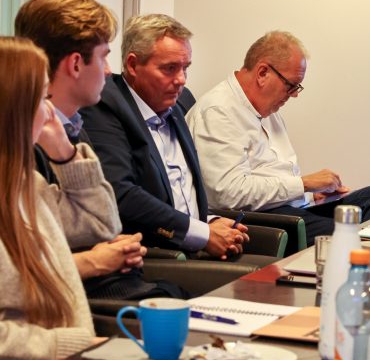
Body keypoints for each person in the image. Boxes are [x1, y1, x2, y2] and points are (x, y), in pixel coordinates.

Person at [15, 0, 171, 300]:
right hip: (72, 299)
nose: (108, 70)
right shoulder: (23, 143)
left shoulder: (72, 127)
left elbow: (104, 224)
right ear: (76, 64)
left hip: (103, 285)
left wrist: (110, 246)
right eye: (103, 56)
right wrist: (94, 258)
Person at [186, 31, 370, 243]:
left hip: (292, 209)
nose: (295, 94)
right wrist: (303, 184)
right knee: (351, 234)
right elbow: (228, 195)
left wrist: (310, 195)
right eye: (291, 85)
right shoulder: (219, 111)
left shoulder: (269, 111)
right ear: (262, 73)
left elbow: (276, 176)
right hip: (261, 221)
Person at [80, 14, 250, 261]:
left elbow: (177, 193)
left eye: (185, 68)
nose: (181, 80)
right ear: (132, 65)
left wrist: (208, 221)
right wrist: (202, 233)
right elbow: (121, 195)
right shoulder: (105, 105)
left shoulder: (180, 101)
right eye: (169, 68)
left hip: (192, 244)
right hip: (154, 255)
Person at [0, 37, 120, 360]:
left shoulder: (27, 185)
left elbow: (102, 223)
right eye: (42, 98)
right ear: (15, 109)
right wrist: (66, 345)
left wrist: (65, 154)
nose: (49, 111)